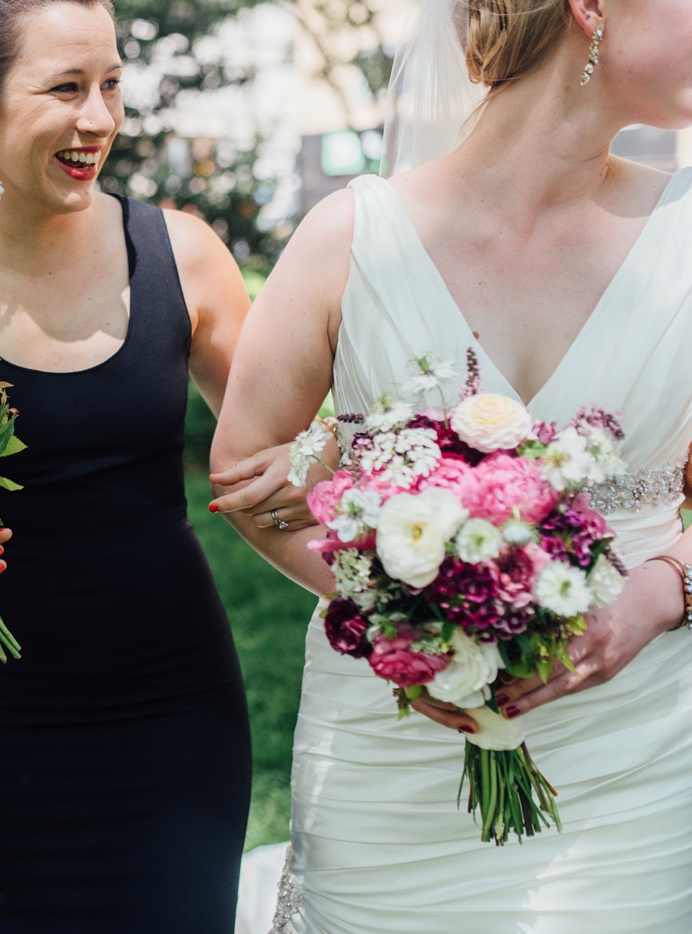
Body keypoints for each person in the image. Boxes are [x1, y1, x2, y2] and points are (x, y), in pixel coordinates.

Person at [210, 0, 692, 929]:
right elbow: (243, 477)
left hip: (637, 759)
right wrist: (400, 620)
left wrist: (660, 592)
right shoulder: (349, 236)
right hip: (395, 768)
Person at [0, 0, 313, 927]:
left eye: (111, 85)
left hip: (175, 705)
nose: (100, 118)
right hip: (0, 718)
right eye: (65, 88)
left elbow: (273, 453)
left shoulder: (184, 255)